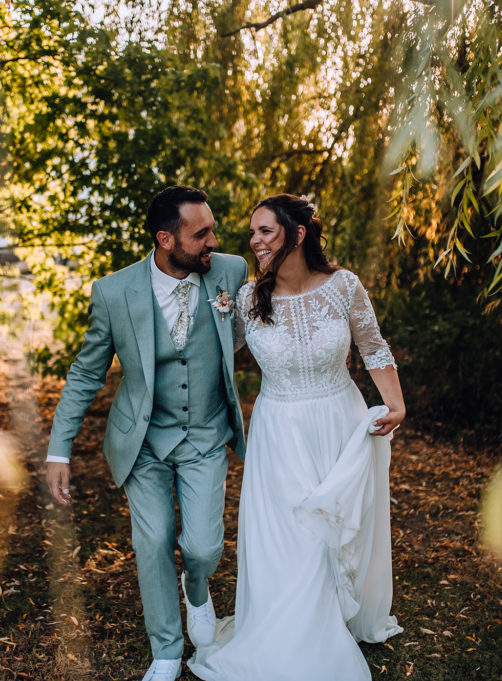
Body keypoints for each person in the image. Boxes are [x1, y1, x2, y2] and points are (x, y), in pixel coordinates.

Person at [188, 194, 406, 681]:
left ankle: (336, 614)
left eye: (266, 231)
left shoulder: (344, 287)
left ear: (298, 233)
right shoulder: (246, 298)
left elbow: (372, 345)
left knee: (337, 532)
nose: (255, 241)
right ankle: (296, 633)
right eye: (252, 233)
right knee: (296, 538)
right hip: (279, 430)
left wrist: (396, 402)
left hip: (340, 420)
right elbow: (212, 352)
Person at [44, 186, 249, 681]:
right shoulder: (114, 292)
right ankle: (165, 650)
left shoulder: (230, 272)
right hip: (143, 443)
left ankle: (196, 588)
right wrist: (58, 450)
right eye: (201, 234)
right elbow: (87, 373)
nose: (212, 241)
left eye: (212, 229)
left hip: (204, 435)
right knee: (153, 541)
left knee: (203, 546)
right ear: (165, 238)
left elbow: (253, 329)